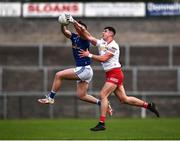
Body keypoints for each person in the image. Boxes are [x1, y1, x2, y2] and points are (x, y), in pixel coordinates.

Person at [66, 15, 160, 131]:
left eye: (105, 31)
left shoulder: (114, 46)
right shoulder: (101, 43)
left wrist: (89, 55)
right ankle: (149, 105)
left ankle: (102, 123)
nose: (103, 32)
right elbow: (87, 35)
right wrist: (73, 22)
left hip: (115, 73)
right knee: (123, 99)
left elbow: (104, 58)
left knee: (103, 95)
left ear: (111, 34)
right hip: (111, 74)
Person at [38, 16, 113, 116]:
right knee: (82, 95)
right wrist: (63, 24)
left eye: (81, 27)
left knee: (58, 75)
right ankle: (102, 103)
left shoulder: (85, 37)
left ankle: (50, 98)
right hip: (85, 70)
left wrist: (74, 22)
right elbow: (65, 32)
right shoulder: (74, 36)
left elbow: (81, 29)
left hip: (84, 69)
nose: (79, 28)